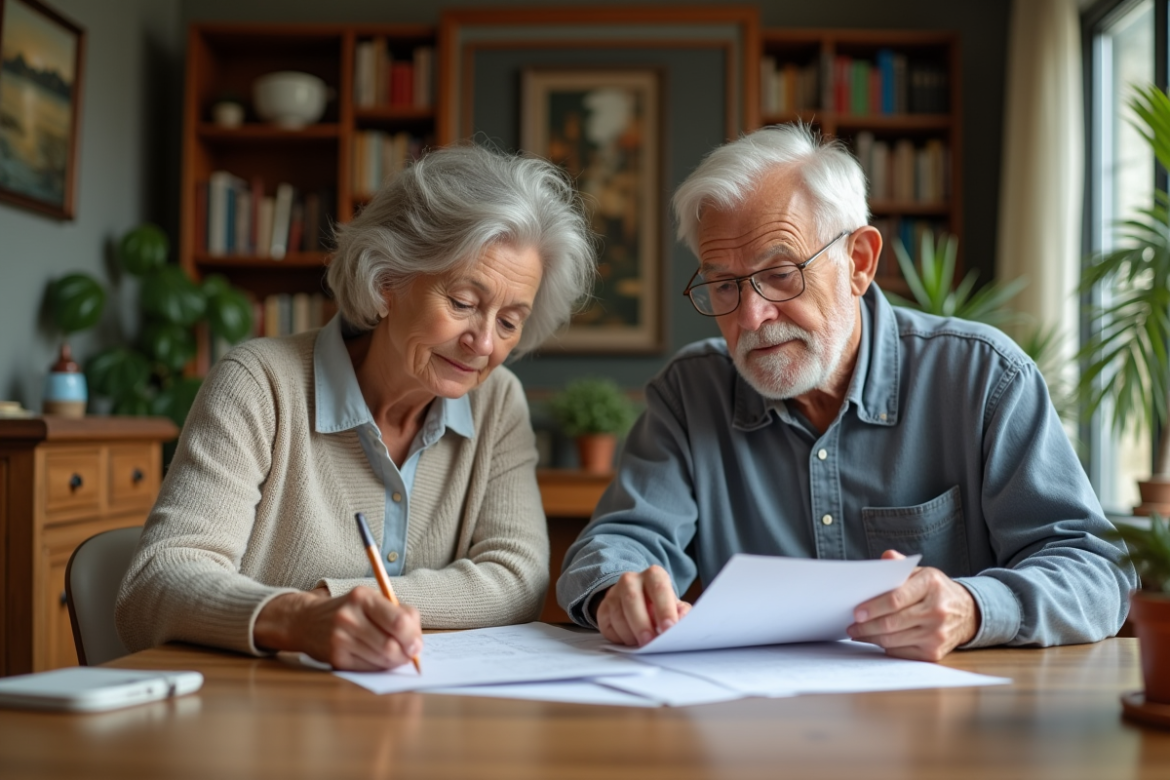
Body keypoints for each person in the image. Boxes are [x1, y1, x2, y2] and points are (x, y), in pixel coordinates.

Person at [557, 124, 1136, 661]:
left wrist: (974, 608)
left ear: (859, 262)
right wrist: (621, 590)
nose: (753, 316)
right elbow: (618, 543)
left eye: (781, 273)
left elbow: (1096, 570)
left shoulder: (983, 376)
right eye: (724, 284)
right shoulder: (690, 393)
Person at [117, 145, 595, 671]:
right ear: (388, 279)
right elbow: (157, 580)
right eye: (462, 303)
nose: (483, 344)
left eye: (509, 321)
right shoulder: (260, 384)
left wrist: (342, 599)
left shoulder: (498, 401)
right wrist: (300, 618)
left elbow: (517, 582)